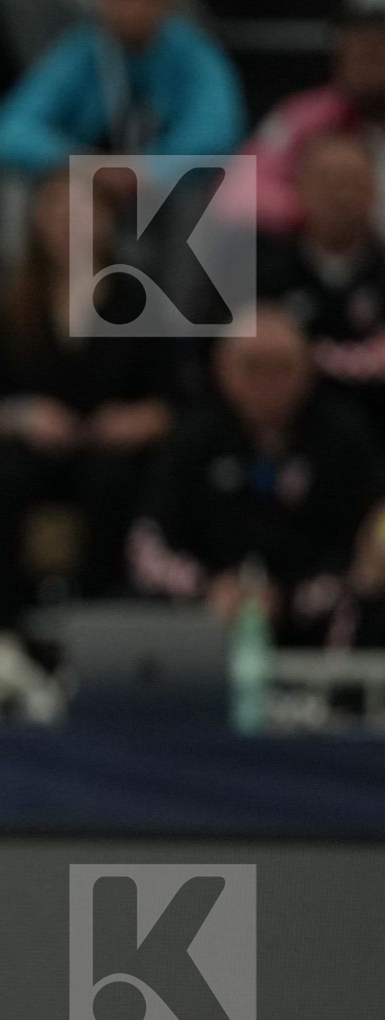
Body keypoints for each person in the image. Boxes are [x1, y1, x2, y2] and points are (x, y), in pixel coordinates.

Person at [0, 171, 173, 641]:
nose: (68, 225)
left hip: (110, 454)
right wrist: (24, 415)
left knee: (113, 482)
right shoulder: (9, 302)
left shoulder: (139, 299)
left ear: (108, 222)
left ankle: (95, 614)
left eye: (82, 213)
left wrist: (136, 420)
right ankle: (4, 625)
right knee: (0, 481)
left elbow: (171, 399)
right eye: (56, 213)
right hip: (35, 450)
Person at [130, 306, 385, 647]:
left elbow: (366, 550)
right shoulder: (192, 437)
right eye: (252, 367)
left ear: (308, 371)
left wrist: (290, 599)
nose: (267, 382)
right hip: (205, 611)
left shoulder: (344, 438)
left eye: (282, 368)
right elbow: (149, 541)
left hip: (313, 614)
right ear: (222, 368)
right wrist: (208, 590)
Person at [0, 0, 245, 267]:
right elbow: (5, 133)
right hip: (92, 182)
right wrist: (85, 163)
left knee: (201, 185)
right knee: (20, 182)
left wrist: (147, 169)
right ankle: (20, 299)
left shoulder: (193, 53)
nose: (131, 9)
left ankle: (175, 308)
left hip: (160, 188)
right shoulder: (81, 51)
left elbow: (219, 131)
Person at [257, 133, 385, 431]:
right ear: (300, 189)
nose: (340, 196)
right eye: (327, 182)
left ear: (373, 191)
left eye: (352, 182)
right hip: (292, 436)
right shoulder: (262, 276)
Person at [242, 0, 385, 238]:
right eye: (355, 40)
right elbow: (238, 193)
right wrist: (319, 204)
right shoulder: (302, 117)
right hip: (327, 261)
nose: (364, 50)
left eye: (377, 45)